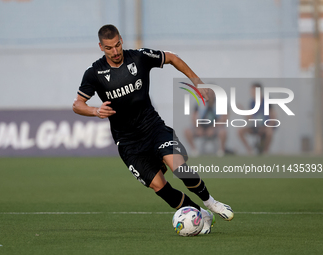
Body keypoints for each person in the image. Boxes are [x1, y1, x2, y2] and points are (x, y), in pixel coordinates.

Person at [73, 24, 234, 234]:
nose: (115, 51)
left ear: (121, 40)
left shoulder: (139, 57)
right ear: (101, 47)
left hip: (153, 127)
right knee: (160, 186)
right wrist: (95, 111)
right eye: (109, 48)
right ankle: (201, 215)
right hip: (128, 141)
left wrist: (197, 82)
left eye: (118, 45)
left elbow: (172, 58)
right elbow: (77, 105)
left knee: (180, 169)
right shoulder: (94, 73)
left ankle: (210, 202)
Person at [184, 89, 229, 157]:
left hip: (215, 127)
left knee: (223, 132)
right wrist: (198, 128)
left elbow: (224, 118)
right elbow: (193, 117)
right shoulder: (199, 103)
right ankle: (194, 150)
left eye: (212, 93)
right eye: (208, 93)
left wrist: (213, 128)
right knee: (187, 131)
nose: (210, 95)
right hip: (201, 127)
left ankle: (221, 151)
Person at [238, 83, 277, 155]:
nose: (252, 92)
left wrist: (268, 127)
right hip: (256, 126)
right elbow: (251, 119)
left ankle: (266, 151)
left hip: (266, 126)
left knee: (269, 132)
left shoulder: (267, 101)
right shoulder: (252, 102)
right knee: (240, 131)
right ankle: (250, 150)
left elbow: (273, 117)